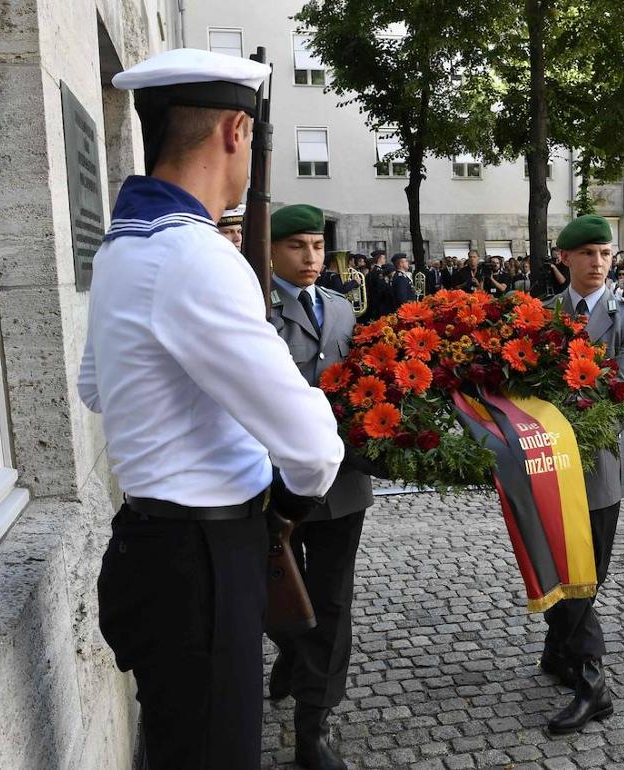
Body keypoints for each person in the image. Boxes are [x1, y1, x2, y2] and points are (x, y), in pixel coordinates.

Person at [78, 49, 344, 770]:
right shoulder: (195, 254)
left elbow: (96, 390)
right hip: (203, 560)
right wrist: (282, 517)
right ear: (234, 130)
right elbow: (315, 448)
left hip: (150, 542)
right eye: (251, 139)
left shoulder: (123, 246)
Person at [263, 205, 374, 770]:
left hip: (341, 481)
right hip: (274, 480)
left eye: (315, 246)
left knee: (331, 600)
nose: (310, 258)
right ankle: (289, 651)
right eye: (296, 247)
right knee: (279, 587)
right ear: (271, 250)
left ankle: (314, 727)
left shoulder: (339, 308)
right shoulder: (256, 310)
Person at [542, 214, 624, 734]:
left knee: (586, 574)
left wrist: (556, 420)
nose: (598, 263)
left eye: (605, 254)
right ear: (565, 258)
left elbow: (623, 402)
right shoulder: (539, 316)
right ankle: (575, 665)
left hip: (596, 469)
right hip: (541, 469)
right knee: (555, 565)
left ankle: (585, 677)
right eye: (587, 254)